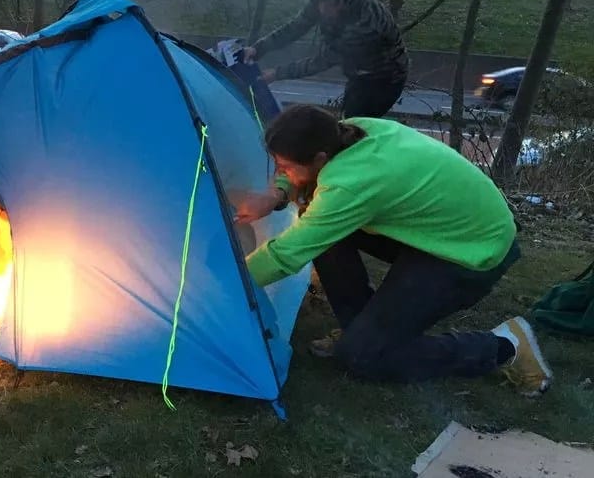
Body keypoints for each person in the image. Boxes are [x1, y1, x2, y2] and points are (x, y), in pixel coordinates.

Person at [235, 104, 552, 395]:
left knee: (363, 357)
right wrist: (276, 194)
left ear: (319, 158)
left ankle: (504, 346)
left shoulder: (351, 183)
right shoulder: (349, 130)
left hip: (472, 250)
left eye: (285, 167)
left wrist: (231, 281)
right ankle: (359, 327)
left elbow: (285, 255)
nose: (281, 172)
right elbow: (303, 185)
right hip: (440, 225)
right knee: (317, 219)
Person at [240, 0, 407, 118]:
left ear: (345, 6)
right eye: (321, 1)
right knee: (348, 119)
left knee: (355, 125)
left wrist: (277, 73)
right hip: (359, 72)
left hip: (386, 78)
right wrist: (258, 49)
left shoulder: (365, 25)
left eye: (330, 6)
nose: (321, 9)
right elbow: (296, 27)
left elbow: (320, 62)